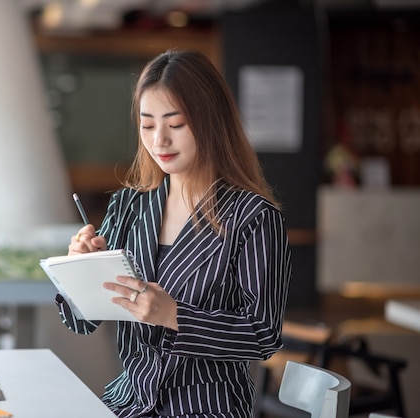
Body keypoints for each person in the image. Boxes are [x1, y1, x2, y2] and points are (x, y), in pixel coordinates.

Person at [56, 49, 292, 418]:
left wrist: (176, 315)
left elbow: (263, 336)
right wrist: (81, 271)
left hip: (207, 406)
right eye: (148, 126)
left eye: (175, 124)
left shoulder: (253, 217)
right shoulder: (130, 206)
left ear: (210, 121)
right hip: (129, 400)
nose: (159, 141)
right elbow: (81, 322)